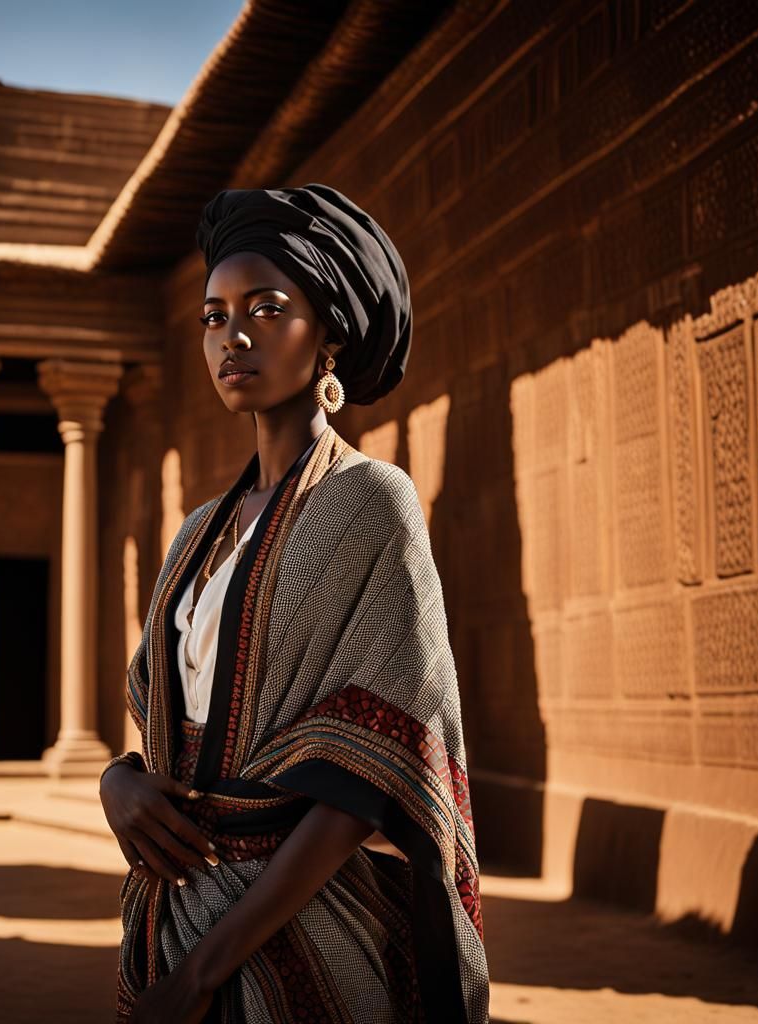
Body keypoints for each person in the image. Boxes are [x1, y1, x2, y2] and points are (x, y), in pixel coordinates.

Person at [99, 184, 489, 1024]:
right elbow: (169, 724)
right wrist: (118, 782)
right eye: (213, 315)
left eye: (267, 309)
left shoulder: (373, 503)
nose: (232, 336)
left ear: (330, 340)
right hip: (171, 911)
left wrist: (204, 973)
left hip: (299, 933)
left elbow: (366, 772)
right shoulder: (197, 532)